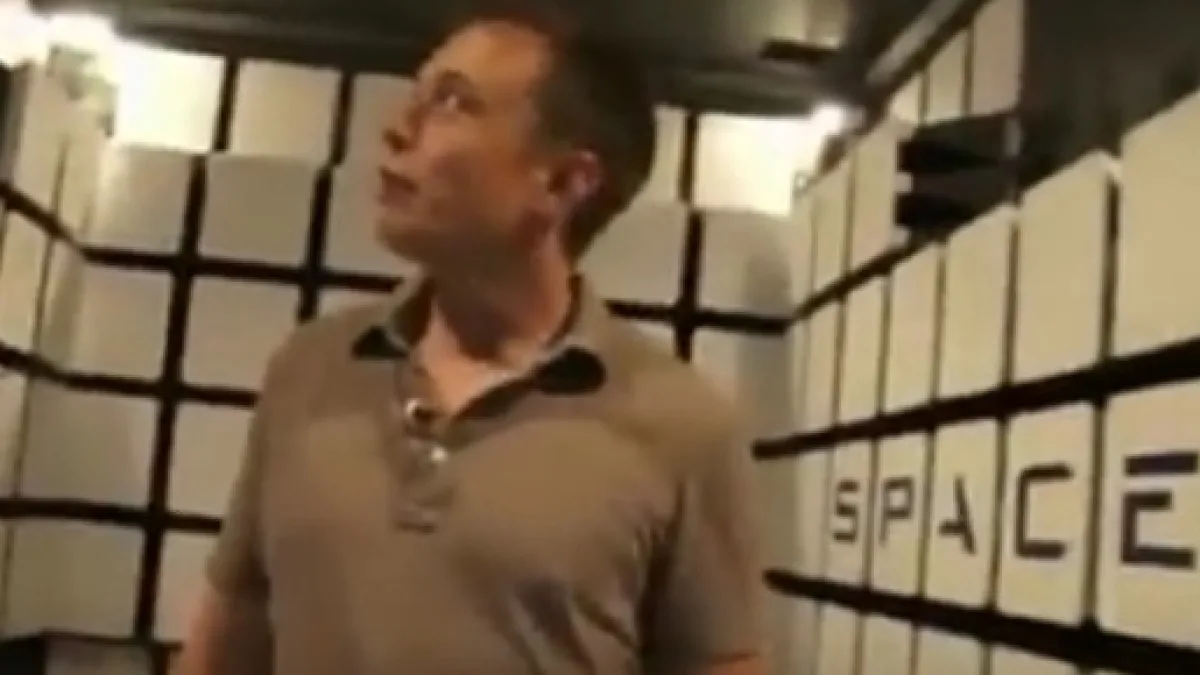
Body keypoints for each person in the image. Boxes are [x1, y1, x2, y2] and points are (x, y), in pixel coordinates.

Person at [174, 2, 765, 674]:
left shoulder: (682, 423)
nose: (395, 128)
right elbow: (229, 632)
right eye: (416, 94)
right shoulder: (308, 368)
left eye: (453, 103)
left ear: (564, 182)